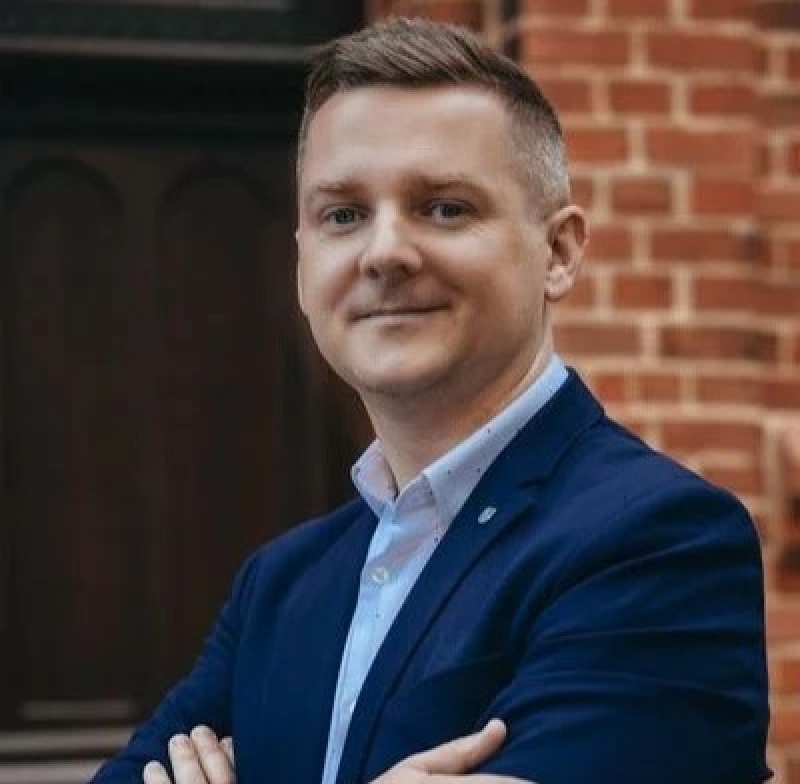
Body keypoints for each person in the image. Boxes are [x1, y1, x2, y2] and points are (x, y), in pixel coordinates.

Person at [91, 17, 770, 784]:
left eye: (444, 207)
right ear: (303, 262)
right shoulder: (280, 587)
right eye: (344, 215)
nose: (384, 253)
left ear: (558, 251)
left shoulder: (658, 543)